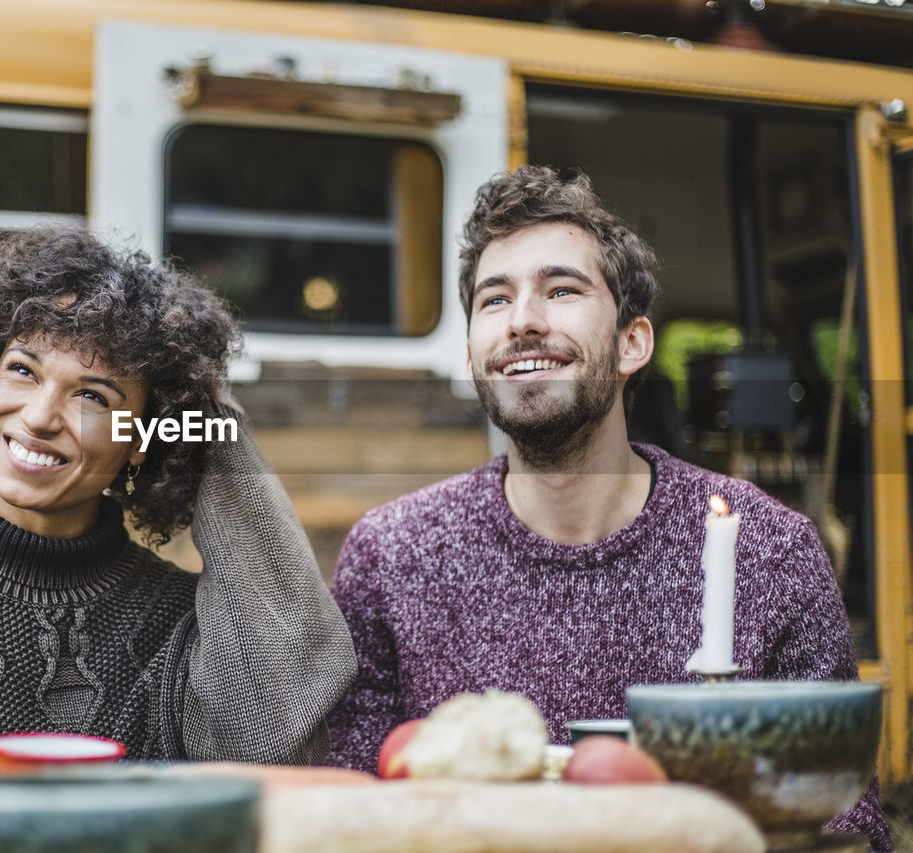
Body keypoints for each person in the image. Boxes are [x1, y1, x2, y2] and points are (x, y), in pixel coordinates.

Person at [323, 165, 889, 848]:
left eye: (562, 289)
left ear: (632, 342)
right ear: (472, 351)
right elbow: (346, 813)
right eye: (493, 300)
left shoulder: (771, 550)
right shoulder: (390, 556)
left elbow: (849, 823)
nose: (524, 321)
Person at [0, 224, 356, 778]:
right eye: (23, 371)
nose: (38, 417)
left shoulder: (182, 624)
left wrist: (214, 426)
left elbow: (272, 741)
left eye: (92, 397)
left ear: (143, 439)